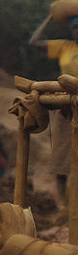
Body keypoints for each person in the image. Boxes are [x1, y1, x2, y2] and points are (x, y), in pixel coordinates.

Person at [30, 14, 78, 203]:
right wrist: (49, 18)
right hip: (65, 104)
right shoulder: (64, 47)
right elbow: (34, 42)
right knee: (61, 156)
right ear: (70, 30)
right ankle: (62, 204)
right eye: (75, 28)